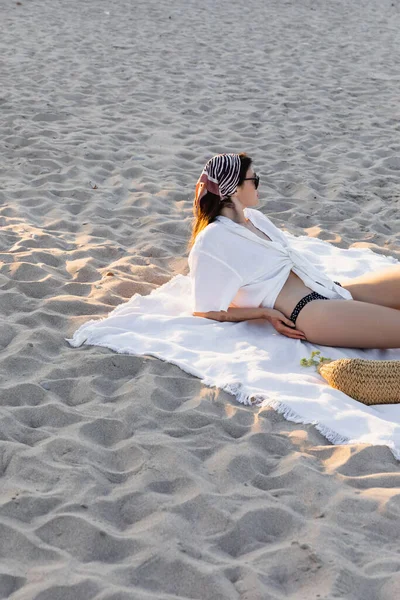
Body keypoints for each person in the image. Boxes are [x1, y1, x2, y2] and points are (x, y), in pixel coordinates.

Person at [188, 152, 400, 349]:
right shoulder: (213, 239)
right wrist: (264, 313)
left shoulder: (255, 218)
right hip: (308, 311)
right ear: (234, 188)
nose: (258, 185)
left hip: (327, 288)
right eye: (254, 180)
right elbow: (205, 310)